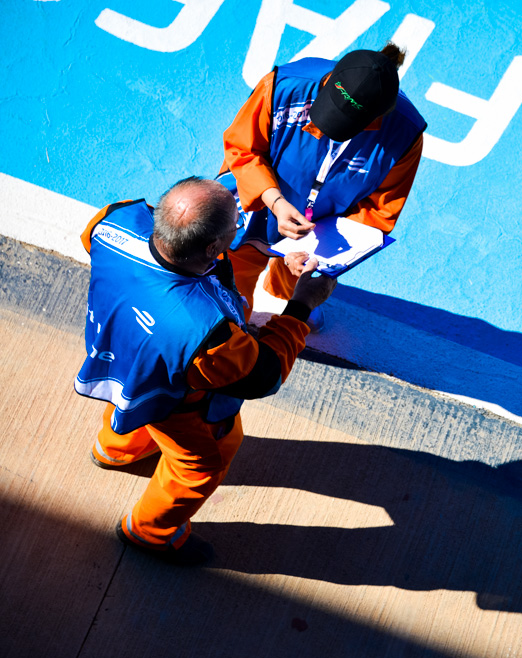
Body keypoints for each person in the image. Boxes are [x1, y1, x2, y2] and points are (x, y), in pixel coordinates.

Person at [75, 177, 336, 565]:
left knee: (129, 405)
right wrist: (299, 307)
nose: (240, 224)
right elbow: (264, 375)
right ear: (213, 247)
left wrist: (268, 255)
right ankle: (149, 533)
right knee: (201, 463)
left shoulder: (112, 219)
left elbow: (98, 246)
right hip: (174, 398)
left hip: (118, 357)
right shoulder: (206, 333)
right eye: (237, 223)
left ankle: (114, 450)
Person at [218, 42, 427, 320]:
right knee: (229, 301)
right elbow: (243, 149)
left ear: (377, 119)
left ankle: (283, 294)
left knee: (296, 284)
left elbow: (378, 210)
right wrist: (276, 202)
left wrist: (318, 251)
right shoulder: (282, 86)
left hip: (319, 226)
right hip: (254, 200)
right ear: (329, 80)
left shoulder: (405, 136)